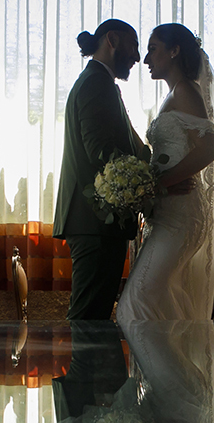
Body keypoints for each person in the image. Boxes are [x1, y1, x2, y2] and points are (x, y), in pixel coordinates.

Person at [115, 23, 214, 323]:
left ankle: (176, 371)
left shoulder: (186, 90)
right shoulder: (175, 94)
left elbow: (208, 150)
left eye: (153, 49)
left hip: (181, 214)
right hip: (169, 213)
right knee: (157, 302)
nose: (146, 59)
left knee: (135, 303)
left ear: (174, 51)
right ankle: (184, 371)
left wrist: (160, 183)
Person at [53, 19, 151, 320]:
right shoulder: (97, 83)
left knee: (92, 314)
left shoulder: (99, 81)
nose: (137, 57)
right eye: (134, 46)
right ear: (112, 39)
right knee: (88, 317)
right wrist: (144, 183)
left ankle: (88, 367)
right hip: (95, 221)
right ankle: (84, 368)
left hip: (95, 222)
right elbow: (101, 151)